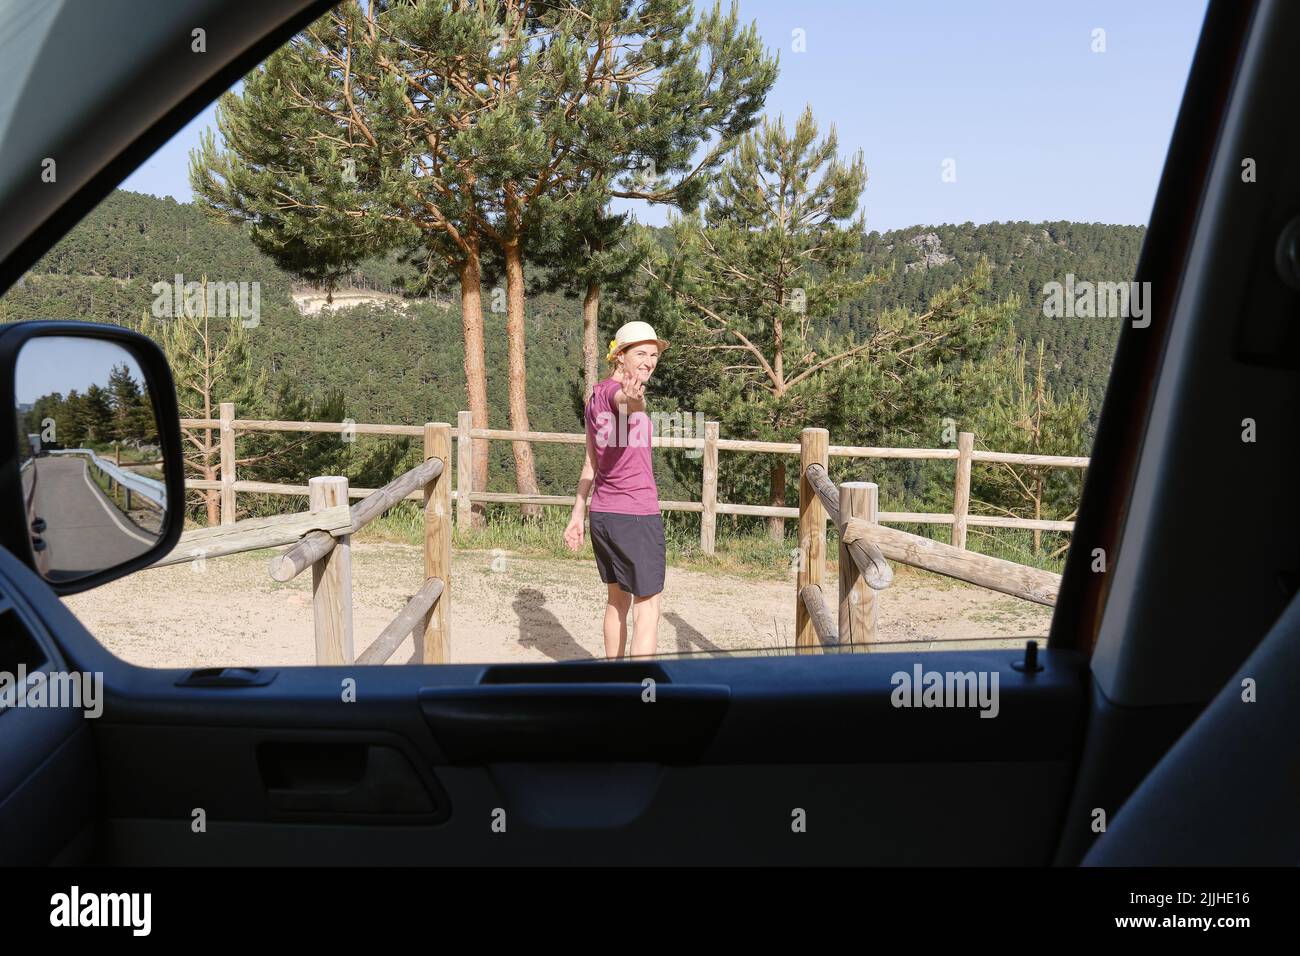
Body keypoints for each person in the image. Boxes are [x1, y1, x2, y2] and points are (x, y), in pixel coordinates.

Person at [563, 321, 669, 659]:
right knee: (648, 606)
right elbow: (625, 401)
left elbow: (590, 463)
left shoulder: (593, 396)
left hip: (604, 516)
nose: (649, 361)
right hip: (635, 516)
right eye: (640, 353)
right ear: (619, 356)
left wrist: (578, 513)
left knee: (617, 600)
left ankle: (615, 681)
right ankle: (641, 694)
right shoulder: (614, 393)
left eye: (653, 355)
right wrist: (633, 398)